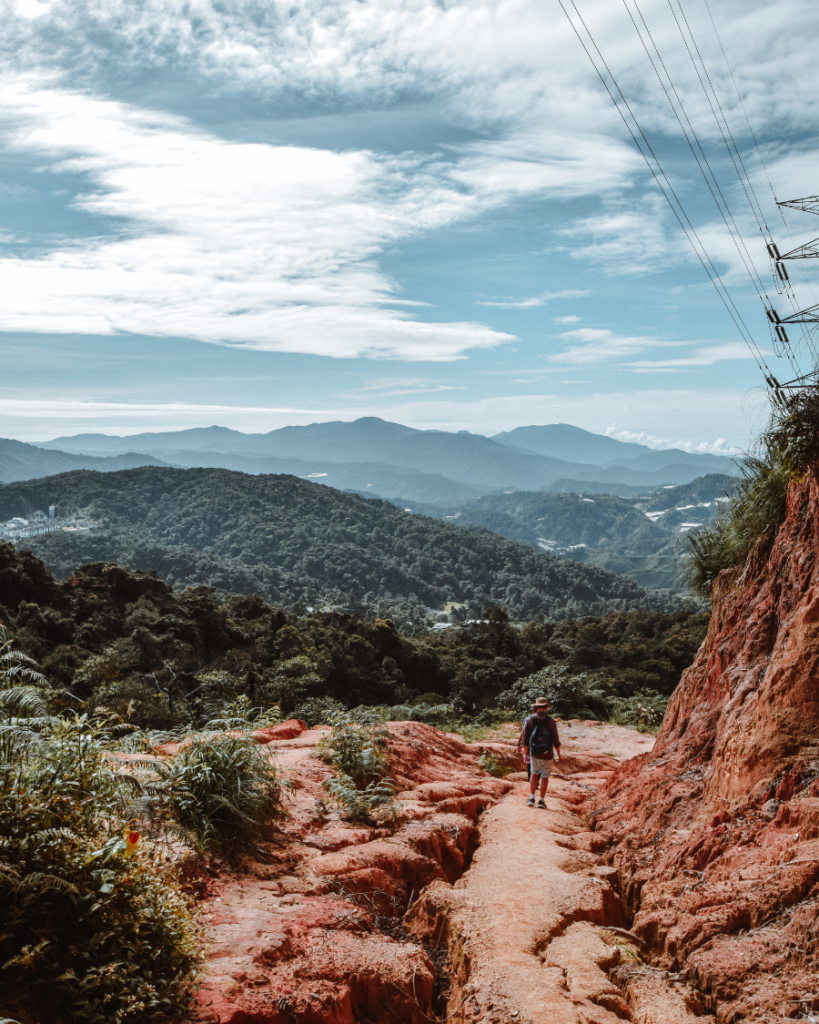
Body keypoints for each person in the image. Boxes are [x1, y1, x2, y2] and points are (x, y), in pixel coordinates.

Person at [516, 697, 561, 809]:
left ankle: (531, 798)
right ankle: (541, 801)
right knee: (545, 777)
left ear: (536, 707)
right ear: (546, 707)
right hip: (548, 753)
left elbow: (525, 739)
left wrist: (526, 754)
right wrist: (558, 754)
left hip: (534, 752)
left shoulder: (529, 720)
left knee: (534, 774)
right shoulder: (551, 721)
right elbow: (555, 739)